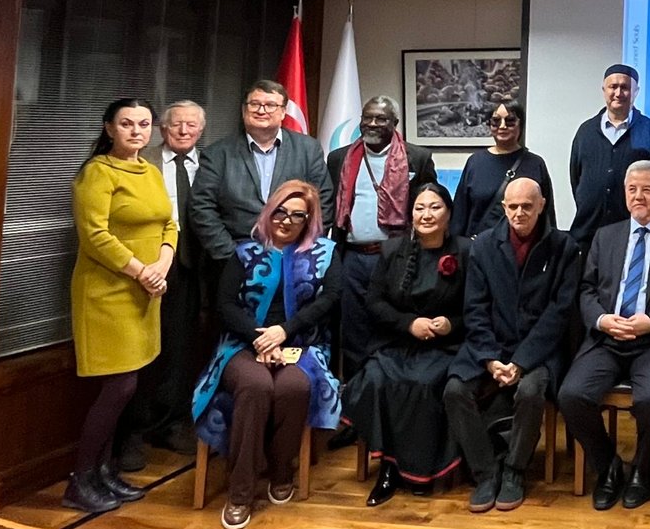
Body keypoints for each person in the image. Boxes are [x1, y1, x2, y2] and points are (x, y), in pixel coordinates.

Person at [191, 180, 341, 529]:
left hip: (302, 344)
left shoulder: (325, 253)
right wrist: (261, 339)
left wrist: (284, 332)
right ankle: (240, 493)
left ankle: (280, 471)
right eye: (280, 212)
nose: (286, 221)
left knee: (293, 387)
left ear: (309, 220)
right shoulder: (244, 253)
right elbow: (225, 304)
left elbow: (330, 298)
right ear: (269, 212)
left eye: (297, 215)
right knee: (256, 386)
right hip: (243, 345)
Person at [558, 162, 650, 511]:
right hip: (606, 338)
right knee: (571, 395)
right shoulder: (605, 236)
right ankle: (608, 465)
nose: (638, 196)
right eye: (632, 189)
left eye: (647, 190)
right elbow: (586, 289)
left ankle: (641, 466)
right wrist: (602, 320)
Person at [64, 98, 176, 513]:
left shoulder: (150, 171)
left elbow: (170, 224)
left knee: (128, 385)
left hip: (145, 291)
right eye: (127, 124)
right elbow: (94, 235)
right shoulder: (97, 172)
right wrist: (140, 271)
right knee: (119, 386)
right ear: (109, 128)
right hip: (107, 292)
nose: (136, 131)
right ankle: (80, 481)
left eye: (144, 124)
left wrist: (162, 263)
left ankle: (104, 472)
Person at [444, 177, 578, 513]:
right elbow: (474, 309)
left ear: (541, 206)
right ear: (503, 208)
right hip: (489, 345)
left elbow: (559, 313)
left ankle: (515, 470)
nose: (520, 213)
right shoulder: (484, 246)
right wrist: (490, 359)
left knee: (531, 391)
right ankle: (486, 472)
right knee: (454, 390)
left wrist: (520, 362)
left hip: (538, 349)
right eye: (513, 206)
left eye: (527, 206)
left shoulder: (564, 247)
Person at [343, 182, 466, 507]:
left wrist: (450, 324)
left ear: (449, 213)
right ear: (411, 214)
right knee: (376, 379)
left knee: (423, 384)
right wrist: (409, 324)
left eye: (435, 207)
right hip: (397, 342)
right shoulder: (392, 251)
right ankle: (388, 467)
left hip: (445, 346)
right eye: (419, 208)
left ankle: (420, 470)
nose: (427, 214)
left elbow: (477, 308)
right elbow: (374, 303)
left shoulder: (466, 251)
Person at [326, 96, 438, 390]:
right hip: (352, 257)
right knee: (353, 329)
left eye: (381, 119)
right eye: (368, 117)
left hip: (397, 258)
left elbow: (431, 204)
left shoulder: (417, 158)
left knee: (393, 326)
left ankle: (390, 396)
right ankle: (355, 399)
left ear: (395, 124)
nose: (373, 124)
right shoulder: (339, 158)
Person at [121, 99, 206, 466]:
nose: (184, 131)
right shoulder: (143, 161)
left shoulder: (211, 163)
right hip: (148, 266)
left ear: (201, 130)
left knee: (182, 350)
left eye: (191, 125)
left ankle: (172, 422)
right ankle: (133, 430)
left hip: (195, 270)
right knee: (143, 351)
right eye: (176, 124)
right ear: (163, 129)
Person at [188, 79, 334, 266]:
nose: (261, 110)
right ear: (244, 110)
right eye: (255, 104)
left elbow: (323, 202)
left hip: (293, 258)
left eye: (271, 105)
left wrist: (303, 249)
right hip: (235, 256)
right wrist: (232, 257)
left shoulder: (308, 149)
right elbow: (201, 207)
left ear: (283, 112)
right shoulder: (216, 154)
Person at [567, 64, 650, 247]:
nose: (618, 93)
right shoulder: (586, 131)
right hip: (587, 234)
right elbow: (576, 177)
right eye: (613, 87)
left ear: (636, 92)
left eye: (625, 87)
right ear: (604, 90)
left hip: (634, 236)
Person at [452, 98, 557, 237]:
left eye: (510, 121)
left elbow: (547, 214)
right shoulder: (475, 162)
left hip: (524, 245)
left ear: (521, 124)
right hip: (479, 246)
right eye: (496, 121)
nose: (502, 126)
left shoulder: (535, 163)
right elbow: (459, 214)